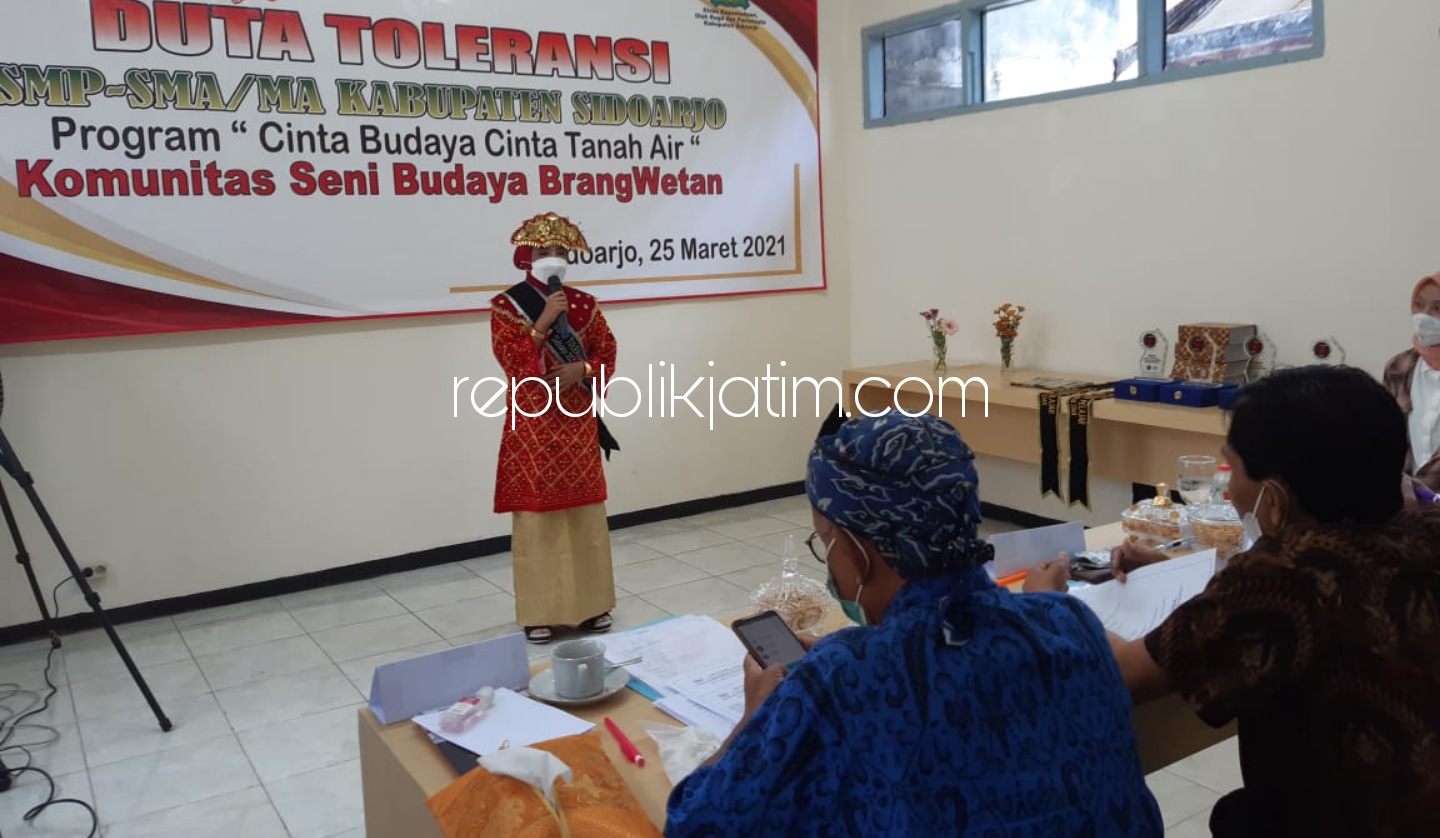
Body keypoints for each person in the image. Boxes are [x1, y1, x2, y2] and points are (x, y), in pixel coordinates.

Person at [664, 412, 1162, 837]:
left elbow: (696, 823)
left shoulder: (842, 678)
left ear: (857, 555)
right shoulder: (1069, 620)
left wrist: (753, 719)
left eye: (825, 543)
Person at [1030, 366, 1440, 836]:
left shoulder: (1281, 581)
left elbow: (1120, 674)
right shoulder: (1423, 535)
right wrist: (1182, 570)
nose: (1230, 491)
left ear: (1275, 497)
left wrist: (1053, 603)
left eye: (1232, 468)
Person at [490, 212, 619, 645]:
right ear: (528, 256)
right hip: (533, 427)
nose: (554, 258)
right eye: (544, 251)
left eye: (561, 251)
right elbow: (511, 361)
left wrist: (583, 367)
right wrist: (543, 320)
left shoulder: (585, 304)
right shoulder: (507, 305)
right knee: (539, 520)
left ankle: (592, 604)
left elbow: (607, 351)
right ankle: (540, 611)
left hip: (578, 422)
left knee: (584, 515)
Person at [1384, 272, 1440, 493]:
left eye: (1437, 308)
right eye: (1419, 305)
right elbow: (1386, 435)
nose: (1423, 316)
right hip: (1410, 506)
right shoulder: (1399, 368)